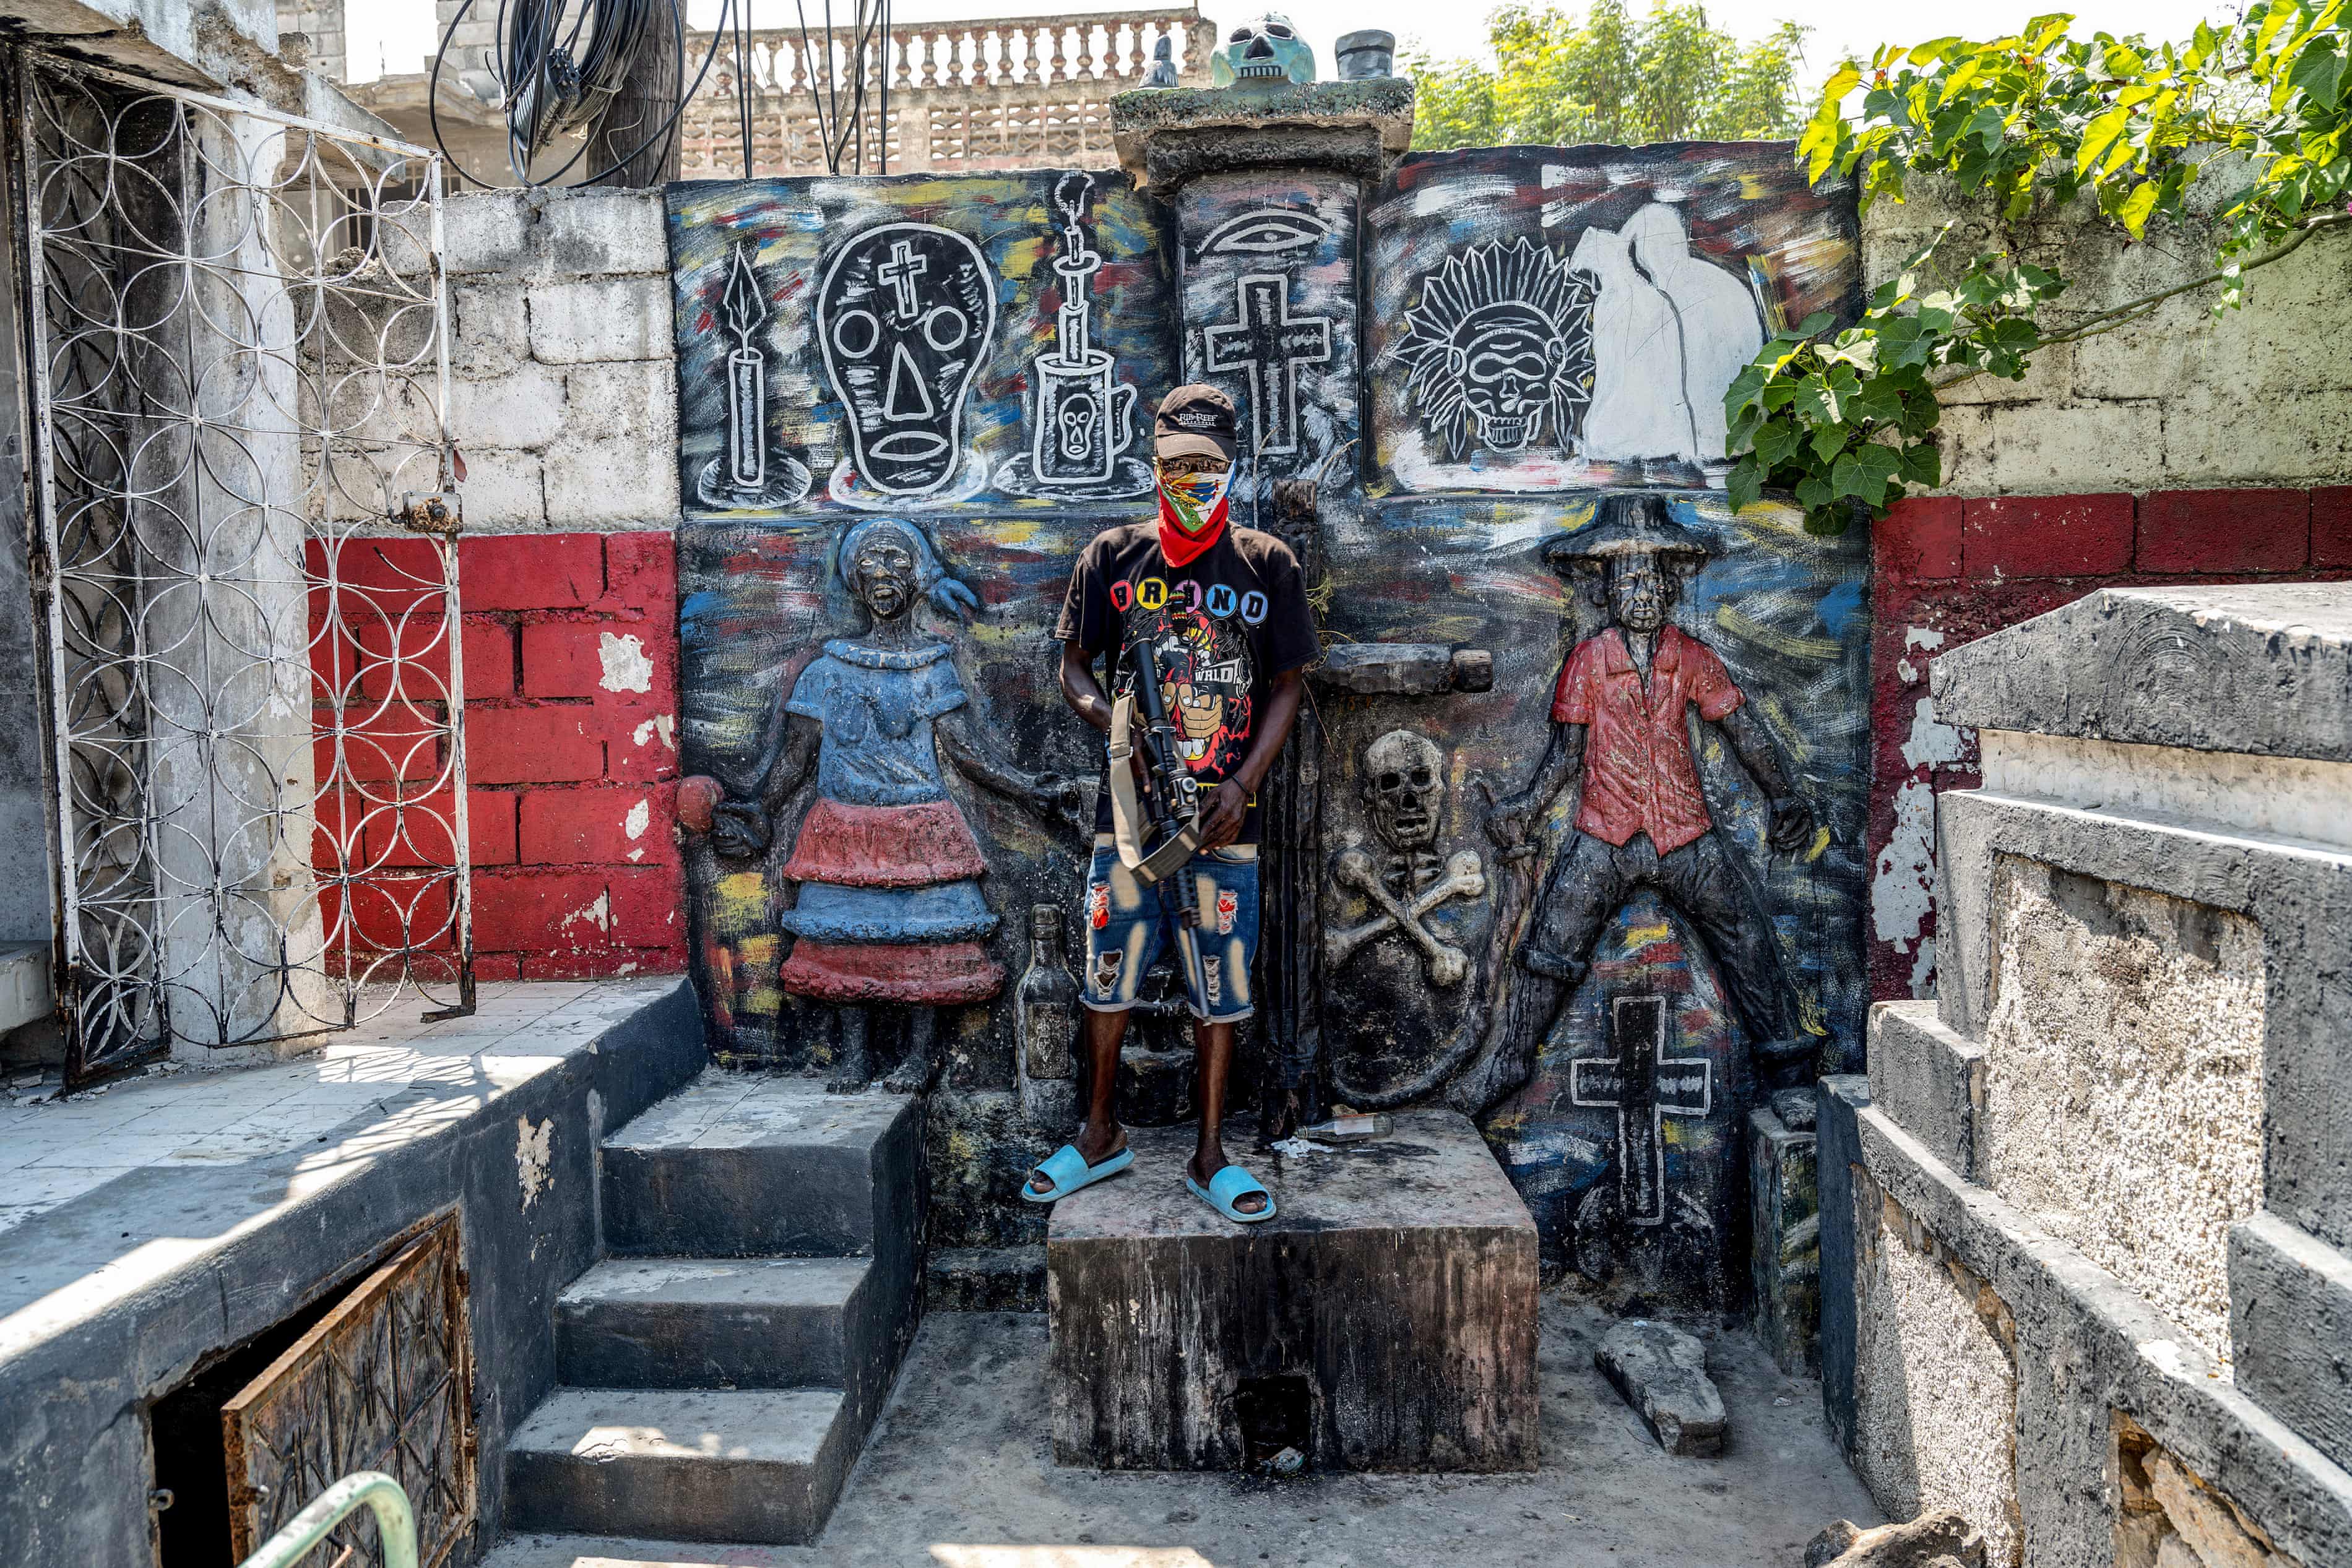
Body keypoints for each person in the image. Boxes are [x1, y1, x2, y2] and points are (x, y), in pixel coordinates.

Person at [1026, 384, 1318, 1223]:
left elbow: (1289, 685)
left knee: (1220, 985)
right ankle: (1098, 1131)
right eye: (1180, 466)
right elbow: (1073, 665)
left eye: (1212, 468)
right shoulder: (1113, 558)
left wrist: (1243, 782)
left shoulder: (1268, 566)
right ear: (1153, 466)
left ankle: (1211, 1151)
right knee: (1107, 971)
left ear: (1233, 469)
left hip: (1225, 824)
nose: (1196, 481)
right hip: (1130, 825)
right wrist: (1116, 727)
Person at [691, 515, 1084, 1093]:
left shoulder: (933, 666)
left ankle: (918, 1057)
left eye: (899, 560)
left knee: (923, 942)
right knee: (846, 941)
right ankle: (856, 1055)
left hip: (920, 824)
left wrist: (1028, 789)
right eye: (871, 560)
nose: (885, 573)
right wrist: (762, 808)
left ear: (920, 575)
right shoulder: (826, 670)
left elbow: (964, 750)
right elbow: (796, 756)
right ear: (853, 577)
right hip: (843, 829)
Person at [1461, 491, 1816, 1112]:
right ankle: (1509, 1062)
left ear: (1667, 590)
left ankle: (1787, 1068)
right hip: (1604, 832)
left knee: (1745, 937)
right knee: (1549, 944)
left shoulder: (1692, 657)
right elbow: (1566, 754)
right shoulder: (1587, 661)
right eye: (1629, 580)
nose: (1642, 592)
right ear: (1609, 592)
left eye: (1651, 580)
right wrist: (1528, 803)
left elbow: (1741, 730)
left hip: (1684, 831)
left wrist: (1782, 794)